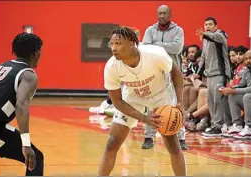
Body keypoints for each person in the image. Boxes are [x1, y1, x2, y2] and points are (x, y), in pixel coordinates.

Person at [98, 26, 187, 176]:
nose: (113, 48)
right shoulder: (111, 66)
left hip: (160, 95)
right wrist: (144, 118)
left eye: (118, 44)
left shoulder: (155, 54)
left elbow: (176, 73)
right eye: (112, 44)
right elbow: (117, 101)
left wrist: (180, 102)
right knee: (112, 142)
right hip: (133, 98)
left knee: (172, 144)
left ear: (132, 43)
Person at [0, 32, 44, 176]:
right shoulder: (27, 74)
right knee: (34, 158)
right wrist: (26, 143)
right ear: (36, 53)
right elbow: (21, 106)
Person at [142, 4, 187, 150]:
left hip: (172, 72)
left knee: (176, 104)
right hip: (155, 72)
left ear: (170, 14)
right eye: (159, 13)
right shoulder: (150, 29)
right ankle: (149, 137)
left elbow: (177, 48)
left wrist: (156, 45)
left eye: (164, 13)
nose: (162, 16)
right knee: (152, 104)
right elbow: (145, 47)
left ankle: (181, 138)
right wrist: (163, 45)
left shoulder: (178, 30)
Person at [196, 17, 231, 136]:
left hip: (220, 73)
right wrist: (199, 73)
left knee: (218, 101)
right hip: (209, 75)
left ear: (216, 26)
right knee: (211, 101)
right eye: (206, 24)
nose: (208, 26)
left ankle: (219, 125)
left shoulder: (221, 34)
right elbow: (203, 58)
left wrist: (204, 34)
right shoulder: (205, 40)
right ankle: (214, 123)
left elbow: (217, 37)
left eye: (210, 24)